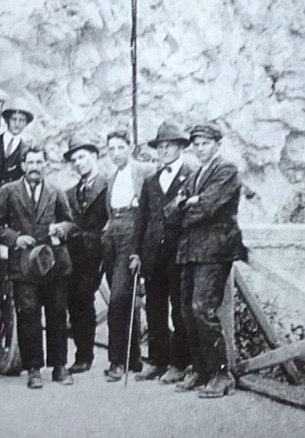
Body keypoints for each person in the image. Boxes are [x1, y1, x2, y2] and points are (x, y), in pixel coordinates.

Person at [167, 124, 245, 398]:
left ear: (217, 144)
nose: (199, 148)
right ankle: (200, 368)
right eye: (196, 144)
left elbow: (208, 207)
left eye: (205, 143)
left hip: (214, 249)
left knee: (203, 309)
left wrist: (188, 203)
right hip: (190, 250)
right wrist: (186, 203)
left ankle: (221, 373)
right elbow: (171, 211)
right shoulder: (196, 174)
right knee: (187, 310)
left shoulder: (226, 170)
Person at [0, 148, 75, 389]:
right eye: (30, 162)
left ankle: (59, 366)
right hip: (24, 264)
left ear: (45, 164)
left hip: (53, 262)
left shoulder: (55, 192)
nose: (35, 166)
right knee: (28, 314)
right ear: (23, 165)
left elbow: (69, 221)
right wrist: (15, 238)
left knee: (58, 312)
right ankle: (34, 369)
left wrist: (62, 229)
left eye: (39, 162)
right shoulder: (8, 191)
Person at [131, 122, 195, 384]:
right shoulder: (150, 181)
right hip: (152, 254)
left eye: (170, 145)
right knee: (154, 309)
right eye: (161, 146)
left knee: (179, 310)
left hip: (179, 253)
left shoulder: (192, 176)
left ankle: (179, 364)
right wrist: (136, 253)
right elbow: (141, 220)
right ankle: (158, 360)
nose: (165, 150)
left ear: (180, 147)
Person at [102, 129, 156, 382]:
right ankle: (132, 358)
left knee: (118, 299)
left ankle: (116, 362)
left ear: (130, 147)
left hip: (132, 233)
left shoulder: (144, 170)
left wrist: (141, 245)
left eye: (120, 147)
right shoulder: (112, 177)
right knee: (124, 299)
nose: (115, 153)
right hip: (113, 233)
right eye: (111, 149)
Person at [61, 136, 108, 374]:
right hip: (76, 255)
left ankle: (128, 358)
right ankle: (83, 356)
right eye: (74, 159)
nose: (78, 163)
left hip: (104, 251)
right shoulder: (70, 193)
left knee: (119, 299)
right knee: (77, 301)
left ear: (94, 156)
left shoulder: (108, 186)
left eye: (82, 157)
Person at [0, 97, 34, 188]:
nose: (17, 124)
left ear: (26, 124)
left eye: (21, 120)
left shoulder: (27, 150)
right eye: (14, 119)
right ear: (7, 120)